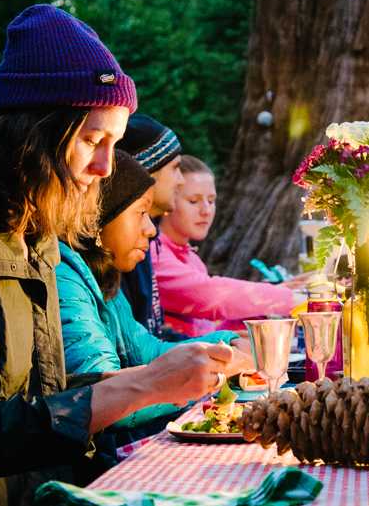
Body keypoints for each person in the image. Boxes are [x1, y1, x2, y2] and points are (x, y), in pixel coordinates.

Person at [0, 5, 239, 506]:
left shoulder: (36, 238)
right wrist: (147, 383)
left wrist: (186, 367)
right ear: (34, 135)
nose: (105, 168)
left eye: (114, 144)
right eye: (92, 140)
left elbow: (56, 390)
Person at [56, 150, 250, 458]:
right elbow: (105, 402)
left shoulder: (104, 283)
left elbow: (147, 351)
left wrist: (226, 345)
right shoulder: (64, 279)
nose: (151, 229)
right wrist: (200, 379)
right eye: (140, 212)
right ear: (99, 216)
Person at [153, 155, 300, 338]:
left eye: (211, 200)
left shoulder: (192, 258)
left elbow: (207, 330)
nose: (206, 211)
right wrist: (290, 298)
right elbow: (208, 296)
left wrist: (263, 310)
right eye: (193, 201)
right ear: (167, 200)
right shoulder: (153, 253)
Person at [115, 113, 184, 337]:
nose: (181, 181)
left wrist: (222, 344)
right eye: (175, 168)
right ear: (146, 174)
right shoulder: (117, 252)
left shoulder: (146, 238)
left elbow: (152, 337)